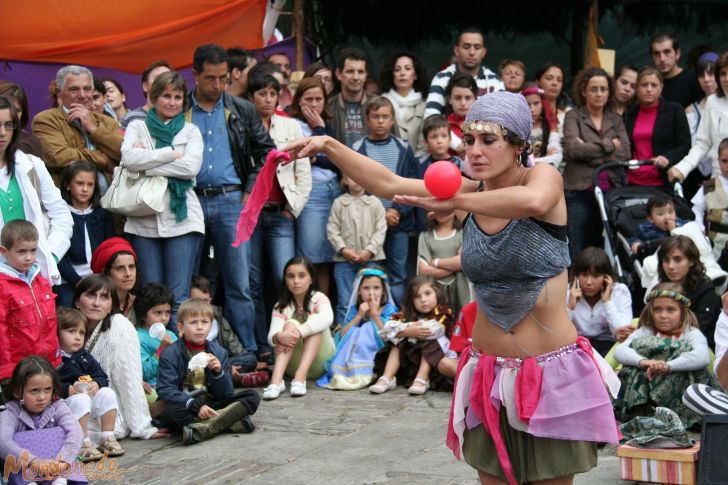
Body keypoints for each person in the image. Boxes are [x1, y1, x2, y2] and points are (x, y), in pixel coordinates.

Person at [284, 90, 620, 484]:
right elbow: (389, 182)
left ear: (518, 146)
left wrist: (456, 198)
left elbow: (532, 200)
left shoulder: (542, 177)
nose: (474, 151)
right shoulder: (468, 194)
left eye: (488, 140)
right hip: (488, 374)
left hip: (549, 376)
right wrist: (328, 144)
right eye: (470, 141)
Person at [187, 44, 276, 355]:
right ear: (195, 74)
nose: (217, 85)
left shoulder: (241, 108)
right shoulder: (179, 108)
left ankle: (246, 352)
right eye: (210, 78)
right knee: (192, 282)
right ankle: (191, 354)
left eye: (223, 78)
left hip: (230, 199)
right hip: (190, 199)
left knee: (239, 283)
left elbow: (267, 151)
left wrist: (251, 188)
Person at [122, 70, 204, 320]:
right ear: (154, 97)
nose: (172, 102)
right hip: (142, 218)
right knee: (151, 296)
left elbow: (190, 168)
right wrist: (170, 154)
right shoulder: (136, 126)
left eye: (178, 97)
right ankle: (153, 356)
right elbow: (128, 160)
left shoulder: (190, 131)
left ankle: (177, 356)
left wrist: (145, 162)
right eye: (166, 96)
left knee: (178, 297)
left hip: (182, 219)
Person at [246, 70, 311, 357]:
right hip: (251, 215)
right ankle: (263, 344)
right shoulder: (242, 126)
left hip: (280, 213)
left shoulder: (291, 127)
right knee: (253, 280)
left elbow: (303, 170)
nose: (268, 99)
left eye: (273, 93)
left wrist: (292, 208)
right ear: (251, 97)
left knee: (287, 278)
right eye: (262, 93)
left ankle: (293, 342)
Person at [156, 298, 261, 445]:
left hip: (210, 403)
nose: (199, 327)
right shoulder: (170, 353)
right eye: (193, 323)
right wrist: (193, 405)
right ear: (180, 327)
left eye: (204, 322)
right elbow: (165, 389)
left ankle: (201, 429)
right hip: (186, 404)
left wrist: (218, 372)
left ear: (211, 325)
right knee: (171, 411)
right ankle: (228, 422)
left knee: (252, 396)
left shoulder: (219, 352)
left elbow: (226, 394)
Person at [73, 274, 166, 439]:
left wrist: (142, 428)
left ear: (111, 306)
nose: (96, 303)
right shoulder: (66, 325)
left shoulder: (119, 326)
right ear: (77, 302)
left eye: (104, 298)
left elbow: (128, 378)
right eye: (90, 295)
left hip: (110, 415)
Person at [614, 282, 715, 428]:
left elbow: (702, 357)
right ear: (650, 311)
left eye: (670, 310)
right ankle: (641, 413)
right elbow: (620, 351)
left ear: (683, 311)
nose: (663, 315)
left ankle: (681, 419)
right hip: (647, 387)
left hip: (679, 397)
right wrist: (644, 362)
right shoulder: (645, 331)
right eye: (657, 309)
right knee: (631, 367)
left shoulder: (691, 333)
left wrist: (668, 366)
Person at [0, 95, 74, 286]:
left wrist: (50, 254)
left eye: (9, 125)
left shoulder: (31, 164)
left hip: (33, 276)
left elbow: (61, 213)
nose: (2, 132)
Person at [353, 97, 419, 303]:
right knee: (370, 274)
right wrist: (380, 214)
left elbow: (412, 182)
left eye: (385, 117)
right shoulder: (357, 149)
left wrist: (397, 211)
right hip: (369, 225)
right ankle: (372, 320)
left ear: (392, 120)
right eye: (375, 117)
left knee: (398, 275)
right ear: (367, 119)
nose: (380, 121)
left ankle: (398, 319)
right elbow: (355, 185)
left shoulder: (403, 148)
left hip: (398, 222)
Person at [562, 67, 631, 260]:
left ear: (609, 92)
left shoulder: (615, 119)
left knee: (610, 245)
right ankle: (575, 287)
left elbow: (625, 153)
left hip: (612, 190)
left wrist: (589, 149)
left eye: (603, 89)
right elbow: (573, 150)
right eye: (594, 89)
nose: (599, 94)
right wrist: (610, 145)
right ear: (584, 91)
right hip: (579, 190)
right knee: (577, 243)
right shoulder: (573, 116)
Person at [289, 77, 340, 295]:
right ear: (298, 101)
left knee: (329, 259)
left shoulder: (326, 124)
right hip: (311, 192)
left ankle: (325, 315)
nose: (314, 104)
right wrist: (319, 133)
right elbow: (299, 156)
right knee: (312, 258)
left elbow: (337, 160)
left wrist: (317, 153)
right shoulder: (294, 126)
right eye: (308, 99)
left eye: (318, 99)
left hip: (334, 189)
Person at [31, 65, 122, 187]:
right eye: (74, 89)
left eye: (87, 89)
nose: (82, 95)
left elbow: (124, 153)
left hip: (111, 201)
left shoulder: (108, 122)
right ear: (59, 93)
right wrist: (103, 159)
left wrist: (93, 129)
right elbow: (59, 157)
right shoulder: (45, 120)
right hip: (67, 201)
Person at [0, 356, 83, 484]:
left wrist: (63, 461)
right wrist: (33, 461)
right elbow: (2, 440)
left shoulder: (58, 406)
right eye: (34, 391)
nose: (42, 397)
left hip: (57, 465)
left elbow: (75, 432)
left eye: (47, 389)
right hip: (25, 468)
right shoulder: (11, 412)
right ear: (17, 392)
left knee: (61, 481)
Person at [56, 308, 124, 461]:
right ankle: (82, 442)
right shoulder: (54, 360)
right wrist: (67, 389)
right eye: (71, 331)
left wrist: (97, 384)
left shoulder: (84, 356)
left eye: (81, 333)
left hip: (89, 400)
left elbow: (101, 375)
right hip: (67, 405)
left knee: (108, 392)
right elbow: (50, 384)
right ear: (56, 333)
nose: (77, 337)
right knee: (81, 400)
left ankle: (107, 436)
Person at [263, 257, 336, 400]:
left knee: (315, 322)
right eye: (291, 276)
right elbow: (271, 336)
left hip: (322, 363)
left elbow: (328, 318)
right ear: (285, 279)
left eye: (302, 276)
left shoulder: (319, 297)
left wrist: (299, 332)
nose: (296, 281)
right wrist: (279, 337)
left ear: (311, 279)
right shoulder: (281, 306)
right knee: (290, 323)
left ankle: (300, 379)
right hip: (291, 365)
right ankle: (277, 382)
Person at [316, 267, 398, 390]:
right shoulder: (356, 309)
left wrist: (375, 315)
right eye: (366, 288)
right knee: (355, 330)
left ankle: (363, 371)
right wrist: (359, 316)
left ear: (384, 291)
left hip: (381, 349)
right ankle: (347, 371)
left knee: (368, 327)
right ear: (358, 291)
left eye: (376, 288)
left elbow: (389, 334)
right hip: (353, 348)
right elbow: (343, 334)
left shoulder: (388, 309)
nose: (371, 293)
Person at [371, 275, 455, 395]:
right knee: (397, 341)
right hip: (412, 362)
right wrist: (407, 331)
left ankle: (423, 378)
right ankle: (387, 377)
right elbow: (387, 330)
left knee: (427, 337)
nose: (423, 300)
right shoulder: (407, 314)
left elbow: (433, 330)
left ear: (437, 293)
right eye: (417, 296)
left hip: (436, 361)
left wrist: (405, 330)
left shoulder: (442, 312)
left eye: (427, 293)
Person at [0, 220, 61, 381]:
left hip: (48, 364)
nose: (29, 257)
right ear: (4, 251)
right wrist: (6, 369)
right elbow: (1, 331)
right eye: (21, 252)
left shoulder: (41, 280)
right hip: (20, 369)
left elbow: (52, 323)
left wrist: (55, 357)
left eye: (33, 250)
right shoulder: (2, 285)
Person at [327, 174, 387, 324]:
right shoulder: (339, 203)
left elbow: (381, 229)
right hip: (344, 261)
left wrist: (369, 250)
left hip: (371, 260)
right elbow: (332, 229)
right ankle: (344, 336)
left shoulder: (375, 203)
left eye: (360, 176)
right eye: (352, 177)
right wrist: (343, 249)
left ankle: (371, 333)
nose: (357, 180)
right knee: (345, 302)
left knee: (372, 300)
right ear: (345, 180)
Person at [56, 160, 116, 307]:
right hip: (68, 280)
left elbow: (110, 248)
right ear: (67, 185)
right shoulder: (59, 215)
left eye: (90, 185)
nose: (85, 189)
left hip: (99, 279)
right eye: (79, 183)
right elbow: (58, 255)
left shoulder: (102, 215)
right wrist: (76, 281)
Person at [623, 66, 691, 186]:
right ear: (637, 88)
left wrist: (667, 158)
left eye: (654, 85)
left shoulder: (674, 110)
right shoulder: (629, 113)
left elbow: (685, 144)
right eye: (644, 85)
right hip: (632, 180)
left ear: (661, 88)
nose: (649, 89)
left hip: (663, 180)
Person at [669, 52, 728, 184]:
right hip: (716, 177)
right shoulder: (712, 101)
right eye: (723, 73)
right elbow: (702, 143)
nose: (726, 78)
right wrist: (682, 168)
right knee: (699, 205)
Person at [189, 275, 261, 385]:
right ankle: (229, 376)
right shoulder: (187, 323)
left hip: (220, 361)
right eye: (197, 301)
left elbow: (237, 350)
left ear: (210, 300)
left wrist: (226, 364)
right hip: (198, 365)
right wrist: (227, 366)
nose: (202, 306)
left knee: (250, 359)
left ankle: (223, 375)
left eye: (205, 301)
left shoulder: (218, 319)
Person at [656, 235, 721, 349]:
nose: (671, 266)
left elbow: (698, 329)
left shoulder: (705, 289)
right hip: (664, 344)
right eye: (666, 260)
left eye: (678, 259)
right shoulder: (660, 287)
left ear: (691, 261)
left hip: (701, 349)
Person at [424, 27, 504, 118]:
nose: (472, 52)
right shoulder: (442, 78)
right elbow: (430, 118)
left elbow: (501, 121)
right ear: (457, 51)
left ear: (483, 52)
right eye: (466, 47)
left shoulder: (495, 82)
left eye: (477, 47)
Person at [567, 247, 634, 355]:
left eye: (596, 276)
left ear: (606, 277)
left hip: (609, 346)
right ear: (577, 276)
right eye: (584, 275)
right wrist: (570, 307)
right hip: (577, 347)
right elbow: (557, 333)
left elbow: (623, 333)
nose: (589, 282)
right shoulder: (568, 291)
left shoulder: (619, 291)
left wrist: (607, 302)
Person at [682, 52, 720, 200]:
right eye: (701, 75)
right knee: (698, 213)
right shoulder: (691, 110)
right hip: (696, 175)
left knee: (716, 214)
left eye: (711, 74)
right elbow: (691, 145)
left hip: (721, 173)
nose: (707, 80)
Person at [417, 212, 470, 316]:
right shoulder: (426, 237)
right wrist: (455, 266)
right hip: (434, 290)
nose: (441, 211)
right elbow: (424, 270)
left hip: (461, 288)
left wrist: (435, 262)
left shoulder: (464, 233)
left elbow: (463, 262)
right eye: (437, 208)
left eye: (445, 209)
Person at [380, 51, 428, 155]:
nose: (402, 73)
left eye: (407, 68)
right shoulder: (381, 103)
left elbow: (424, 146)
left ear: (415, 75)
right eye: (397, 69)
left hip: (415, 166)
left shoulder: (424, 106)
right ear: (392, 74)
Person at [133, 283, 177, 386]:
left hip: (174, 383)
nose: (164, 318)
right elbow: (145, 373)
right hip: (154, 387)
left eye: (167, 312)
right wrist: (162, 349)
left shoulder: (171, 335)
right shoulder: (138, 337)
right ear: (143, 314)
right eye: (158, 313)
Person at [328, 47, 373, 147]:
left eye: (360, 72)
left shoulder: (380, 105)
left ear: (366, 75)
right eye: (350, 71)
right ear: (339, 74)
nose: (356, 77)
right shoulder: (328, 108)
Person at [691, 138, 728, 257]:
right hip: (716, 243)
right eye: (725, 161)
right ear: (718, 161)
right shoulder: (710, 186)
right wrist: (700, 227)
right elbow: (697, 209)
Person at [90, 237, 138, 321]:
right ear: (105, 272)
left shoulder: (138, 303)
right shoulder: (96, 305)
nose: (128, 273)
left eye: (131, 267)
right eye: (120, 268)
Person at [650, 32, 703, 109]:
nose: (662, 59)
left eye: (667, 52)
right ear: (652, 58)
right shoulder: (649, 84)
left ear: (677, 54)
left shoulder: (694, 79)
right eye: (657, 53)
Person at [121, 60, 172, 129]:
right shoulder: (131, 118)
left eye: (168, 78)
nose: (163, 82)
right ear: (145, 86)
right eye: (158, 78)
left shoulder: (179, 118)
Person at [521, 84, 562, 168]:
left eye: (536, 103)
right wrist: (546, 158)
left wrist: (530, 163)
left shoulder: (550, 125)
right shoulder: (515, 127)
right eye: (527, 104)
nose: (532, 109)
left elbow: (555, 159)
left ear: (543, 104)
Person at [0, 80, 43, 157]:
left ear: (23, 114)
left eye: (16, 110)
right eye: (5, 108)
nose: (10, 115)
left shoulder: (30, 143)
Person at [445, 73, 478, 159]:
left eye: (468, 98)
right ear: (449, 100)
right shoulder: (441, 126)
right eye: (457, 98)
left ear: (475, 99)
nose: (463, 103)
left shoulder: (486, 125)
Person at [534, 62, 572, 132]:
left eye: (559, 80)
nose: (555, 83)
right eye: (549, 78)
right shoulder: (530, 114)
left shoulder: (570, 114)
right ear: (537, 82)